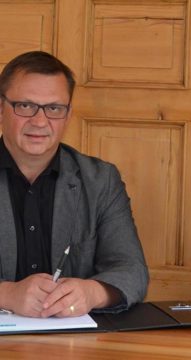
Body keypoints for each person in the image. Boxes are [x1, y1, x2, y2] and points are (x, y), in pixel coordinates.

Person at [0, 51, 148, 318]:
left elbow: (132, 270)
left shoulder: (100, 180)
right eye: (25, 106)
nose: (40, 121)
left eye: (54, 109)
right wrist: (7, 294)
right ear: (1, 108)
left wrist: (92, 292)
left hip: (75, 347)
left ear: (68, 115)